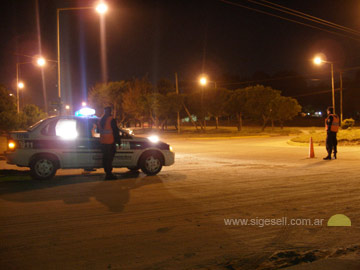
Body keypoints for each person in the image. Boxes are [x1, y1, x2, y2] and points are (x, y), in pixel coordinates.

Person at [99, 106, 121, 180]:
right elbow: (115, 131)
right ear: (110, 111)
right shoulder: (111, 120)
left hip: (103, 142)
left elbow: (98, 131)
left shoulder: (101, 120)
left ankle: (107, 173)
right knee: (109, 159)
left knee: (105, 158)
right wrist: (119, 142)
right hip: (110, 142)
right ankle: (109, 174)